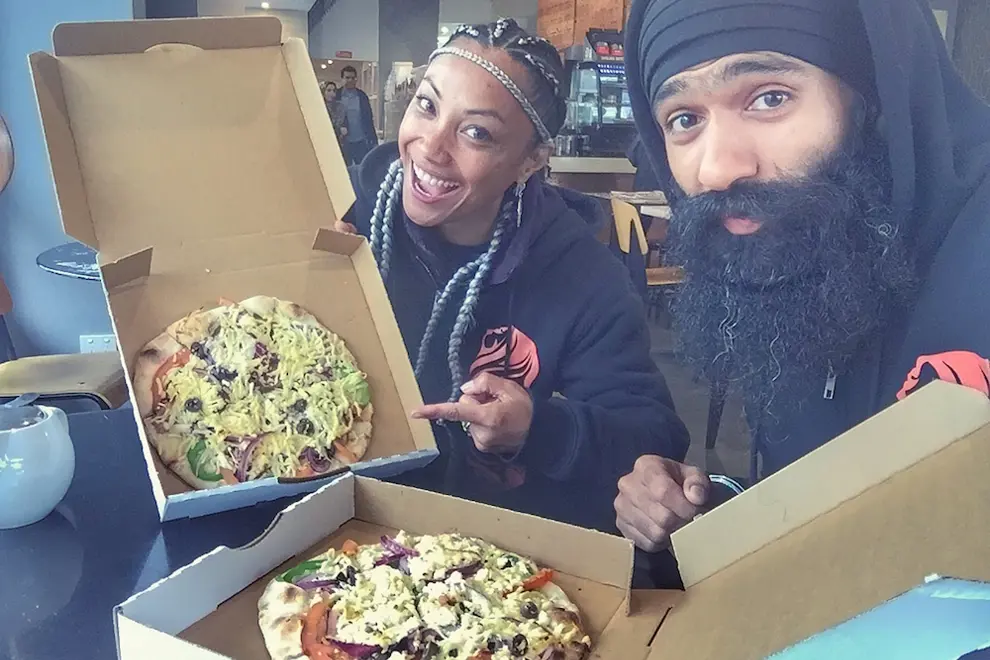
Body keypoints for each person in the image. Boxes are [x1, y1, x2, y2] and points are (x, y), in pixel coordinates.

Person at [614, 0, 990, 558]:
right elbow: (828, 508)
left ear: (874, 96)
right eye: (684, 120)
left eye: (770, 98)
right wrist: (712, 510)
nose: (716, 169)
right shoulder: (801, 248)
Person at [334, 18, 690, 544]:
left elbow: (653, 439)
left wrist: (538, 428)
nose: (431, 147)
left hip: (486, 554)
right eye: (427, 105)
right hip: (327, 517)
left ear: (530, 161)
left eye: (476, 132)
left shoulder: (582, 276)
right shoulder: (341, 215)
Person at [336, 65, 379, 165]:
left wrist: (373, 139)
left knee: (362, 167)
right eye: (347, 78)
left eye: (353, 78)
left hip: (361, 141)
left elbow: (368, 118)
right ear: (342, 79)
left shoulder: (362, 96)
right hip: (343, 142)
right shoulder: (337, 96)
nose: (350, 80)